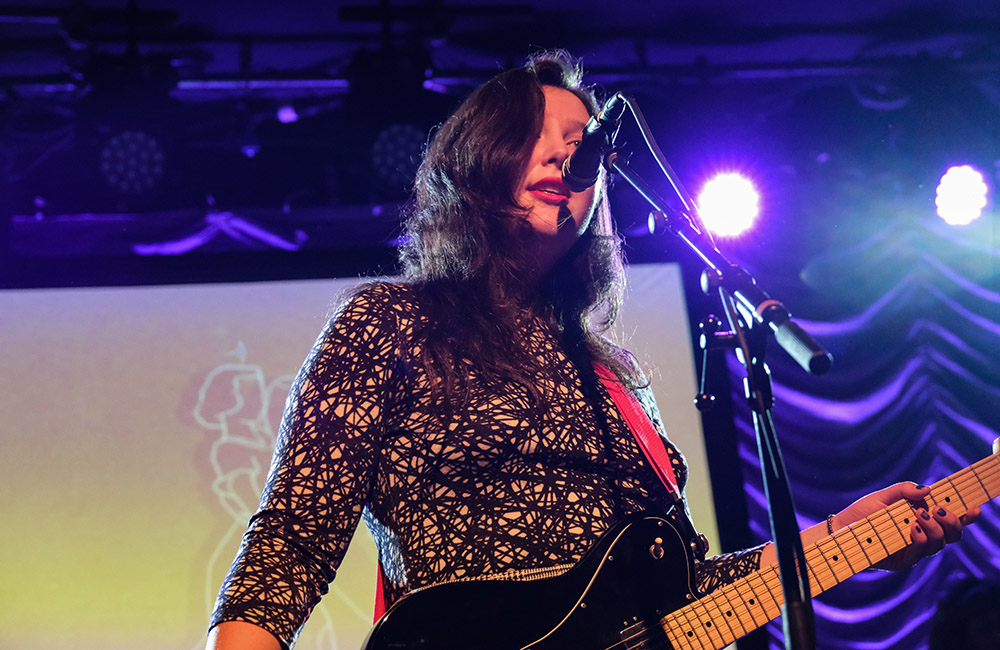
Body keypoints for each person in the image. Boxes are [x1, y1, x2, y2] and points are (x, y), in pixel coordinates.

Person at [206, 51, 977, 650]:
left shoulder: (614, 380)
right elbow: (292, 539)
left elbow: (679, 595)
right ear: (475, 159)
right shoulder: (393, 323)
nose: (559, 162)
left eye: (580, 151)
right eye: (530, 140)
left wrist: (843, 538)